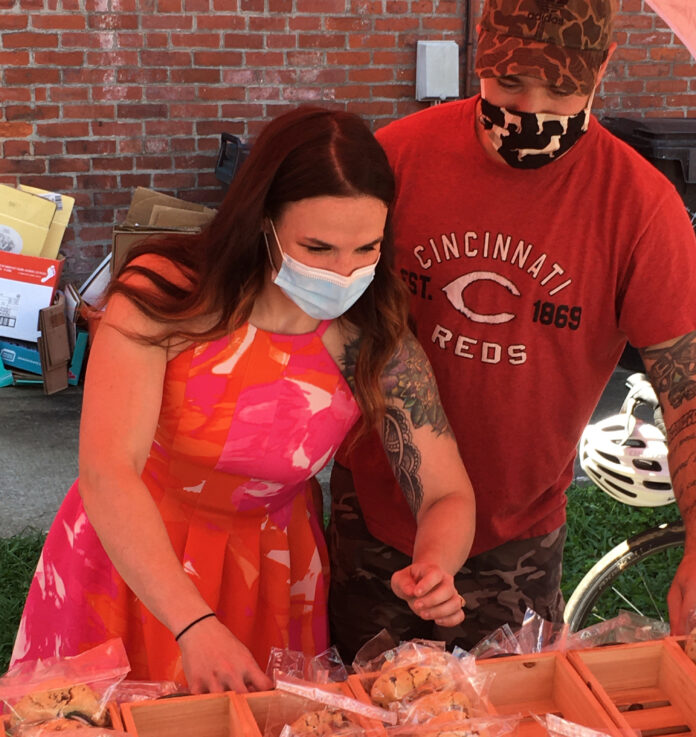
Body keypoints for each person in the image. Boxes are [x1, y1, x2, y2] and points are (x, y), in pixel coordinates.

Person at [10, 106, 476, 692]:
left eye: (367, 249)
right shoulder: (168, 297)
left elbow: (446, 489)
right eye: (319, 247)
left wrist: (437, 562)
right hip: (133, 552)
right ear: (263, 221)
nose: (344, 271)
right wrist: (193, 623)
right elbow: (109, 472)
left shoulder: (371, 332)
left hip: (271, 569)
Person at [328, 0, 696, 661]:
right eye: (510, 81)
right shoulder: (397, 160)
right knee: (353, 708)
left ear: (604, 66)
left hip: (517, 536)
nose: (531, 108)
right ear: (480, 55)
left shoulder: (640, 208)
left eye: (561, 87)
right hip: (377, 514)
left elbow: (688, 389)